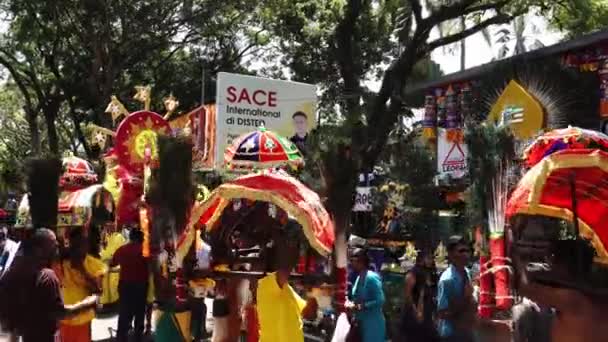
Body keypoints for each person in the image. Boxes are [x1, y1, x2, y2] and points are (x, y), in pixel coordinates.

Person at [0, 228, 99, 342]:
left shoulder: (12, 273)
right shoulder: (47, 276)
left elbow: (6, 322)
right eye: (53, 246)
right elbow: (61, 313)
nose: (57, 249)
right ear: (39, 250)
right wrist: (87, 303)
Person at [256, 231, 318, 342]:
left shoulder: (286, 288)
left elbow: (309, 314)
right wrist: (297, 240)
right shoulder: (264, 283)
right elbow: (287, 266)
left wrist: (311, 293)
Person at [58, 227, 107, 342]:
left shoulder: (93, 264)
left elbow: (99, 291)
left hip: (82, 319)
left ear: (87, 244)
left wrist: (81, 269)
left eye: (81, 242)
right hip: (64, 319)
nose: (77, 247)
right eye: (74, 243)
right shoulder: (62, 262)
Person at [111, 228, 149, 342]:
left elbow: (113, 263)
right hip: (141, 286)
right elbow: (151, 266)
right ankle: (137, 337)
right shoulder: (145, 251)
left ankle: (121, 337)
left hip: (125, 285)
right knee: (139, 312)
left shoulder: (122, 249)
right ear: (141, 239)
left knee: (124, 313)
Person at [436, 235, 475, 342]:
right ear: (451, 254)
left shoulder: (466, 272)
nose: (466, 254)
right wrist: (465, 298)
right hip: (451, 335)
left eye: (467, 250)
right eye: (461, 251)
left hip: (466, 331)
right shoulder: (447, 280)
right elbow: (442, 313)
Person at [347, 247, 386, 342]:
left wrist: (361, 306)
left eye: (353, 260)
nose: (351, 263)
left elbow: (380, 300)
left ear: (361, 262)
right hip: (359, 323)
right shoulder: (358, 277)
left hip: (372, 325)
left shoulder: (371, 278)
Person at [400, 251, 439, 342]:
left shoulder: (429, 273)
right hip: (416, 312)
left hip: (427, 312)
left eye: (431, 258)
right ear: (421, 259)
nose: (431, 261)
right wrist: (417, 311)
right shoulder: (414, 273)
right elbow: (409, 295)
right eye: (428, 258)